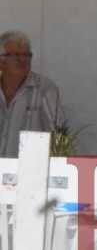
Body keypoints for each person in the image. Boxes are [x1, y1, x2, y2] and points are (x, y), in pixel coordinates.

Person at [1, 30, 65, 159]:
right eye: (16, 55)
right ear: (1, 60)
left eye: (27, 55)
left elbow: (60, 137)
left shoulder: (45, 89)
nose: (22, 60)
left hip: (29, 172)